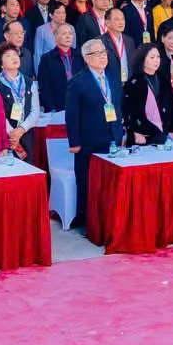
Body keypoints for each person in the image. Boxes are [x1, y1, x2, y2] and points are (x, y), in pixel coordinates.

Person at [64, 39, 123, 227]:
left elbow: (117, 107)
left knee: (110, 181)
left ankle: (108, 219)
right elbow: (71, 115)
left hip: (112, 137)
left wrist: (120, 132)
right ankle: (87, 221)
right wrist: (74, 142)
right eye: (97, 54)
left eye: (104, 52)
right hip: (89, 140)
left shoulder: (112, 77)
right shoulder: (78, 82)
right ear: (87, 58)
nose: (102, 56)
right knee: (88, 182)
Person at [122, 45, 173, 146]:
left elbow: (172, 104)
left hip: (165, 134)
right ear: (142, 59)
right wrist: (133, 132)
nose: (156, 60)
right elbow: (128, 111)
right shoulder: (134, 82)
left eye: (158, 57)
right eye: (152, 57)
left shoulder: (163, 78)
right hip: (143, 136)